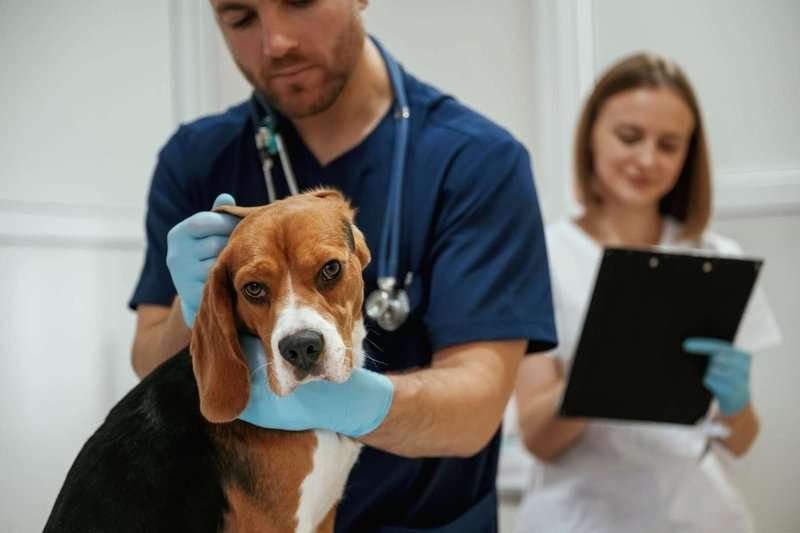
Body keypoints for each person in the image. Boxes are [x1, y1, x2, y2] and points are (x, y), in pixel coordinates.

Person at [129, 1, 557, 531]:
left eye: (299, 1)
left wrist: (362, 405)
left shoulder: (477, 162)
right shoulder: (195, 159)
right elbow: (148, 362)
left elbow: (477, 408)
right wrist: (197, 308)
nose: (275, 42)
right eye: (241, 18)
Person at [513, 52, 782, 533]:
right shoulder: (542, 257)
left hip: (702, 516)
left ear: (688, 156)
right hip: (581, 517)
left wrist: (736, 402)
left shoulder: (715, 258)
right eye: (629, 137)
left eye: (669, 145)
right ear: (592, 135)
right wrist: (601, 375)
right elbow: (537, 437)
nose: (646, 159)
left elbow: (739, 441)